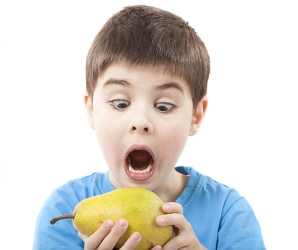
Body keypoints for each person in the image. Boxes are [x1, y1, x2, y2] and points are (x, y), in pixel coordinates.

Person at [33, 5, 266, 250]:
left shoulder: (229, 214)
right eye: (121, 103)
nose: (141, 122)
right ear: (92, 110)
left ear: (195, 117)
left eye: (164, 106)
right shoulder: (62, 212)